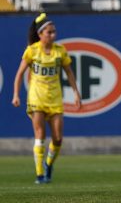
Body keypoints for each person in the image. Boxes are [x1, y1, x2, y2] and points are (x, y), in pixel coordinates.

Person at [12, 13, 81, 184]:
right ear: (40, 34)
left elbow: (69, 72)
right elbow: (19, 74)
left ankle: (49, 164)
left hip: (55, 98)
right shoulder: (32, 50)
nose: (52, 35)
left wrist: (76, 93)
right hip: (36, 98)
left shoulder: (60, 51)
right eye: (49, 32)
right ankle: (40, 174)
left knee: (58, 138)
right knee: (40, 135)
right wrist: (16, 94)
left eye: (54, 32)